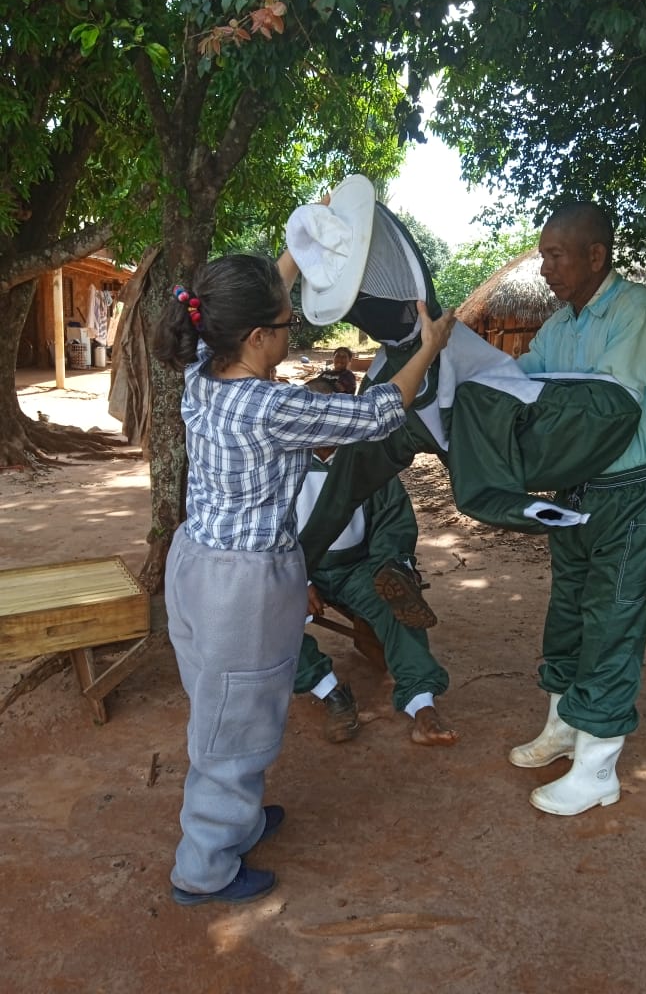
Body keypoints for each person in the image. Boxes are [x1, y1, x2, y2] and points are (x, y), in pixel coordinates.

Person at [152, 234, 455, 905]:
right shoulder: (271, 407)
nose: (295, 330)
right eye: (288, 322)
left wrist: (293, 256)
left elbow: (250, 306)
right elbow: (379, 411)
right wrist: (427, 348)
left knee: (221, 704)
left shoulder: (203, 367)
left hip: (196, 565)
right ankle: (204, 868)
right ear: (258, 336)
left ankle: (239, 822)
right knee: (237, 725)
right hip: (245, 585)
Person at [509, 200, 646, 816]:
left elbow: (606, 401)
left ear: (595, 255)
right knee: (570, 612)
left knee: (612, 620)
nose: (546, 269)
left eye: (556, 256)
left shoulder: (634, 310)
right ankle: (563, 726)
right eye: (542, 256)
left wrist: (537, 414)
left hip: (637, 491)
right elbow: (522, 376)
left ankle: (597, 768)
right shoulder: (564, 323)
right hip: (580, 491)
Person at [293, 377, 456, 747]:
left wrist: (392, 565)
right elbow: (268, 530)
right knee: (267, 617)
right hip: (300, 569)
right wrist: (298, 579)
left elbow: (392, 521)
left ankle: (422, 704)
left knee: (398, 602)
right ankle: (330, 692)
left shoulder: (363, 457)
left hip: (357, 567)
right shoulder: (283, 461)